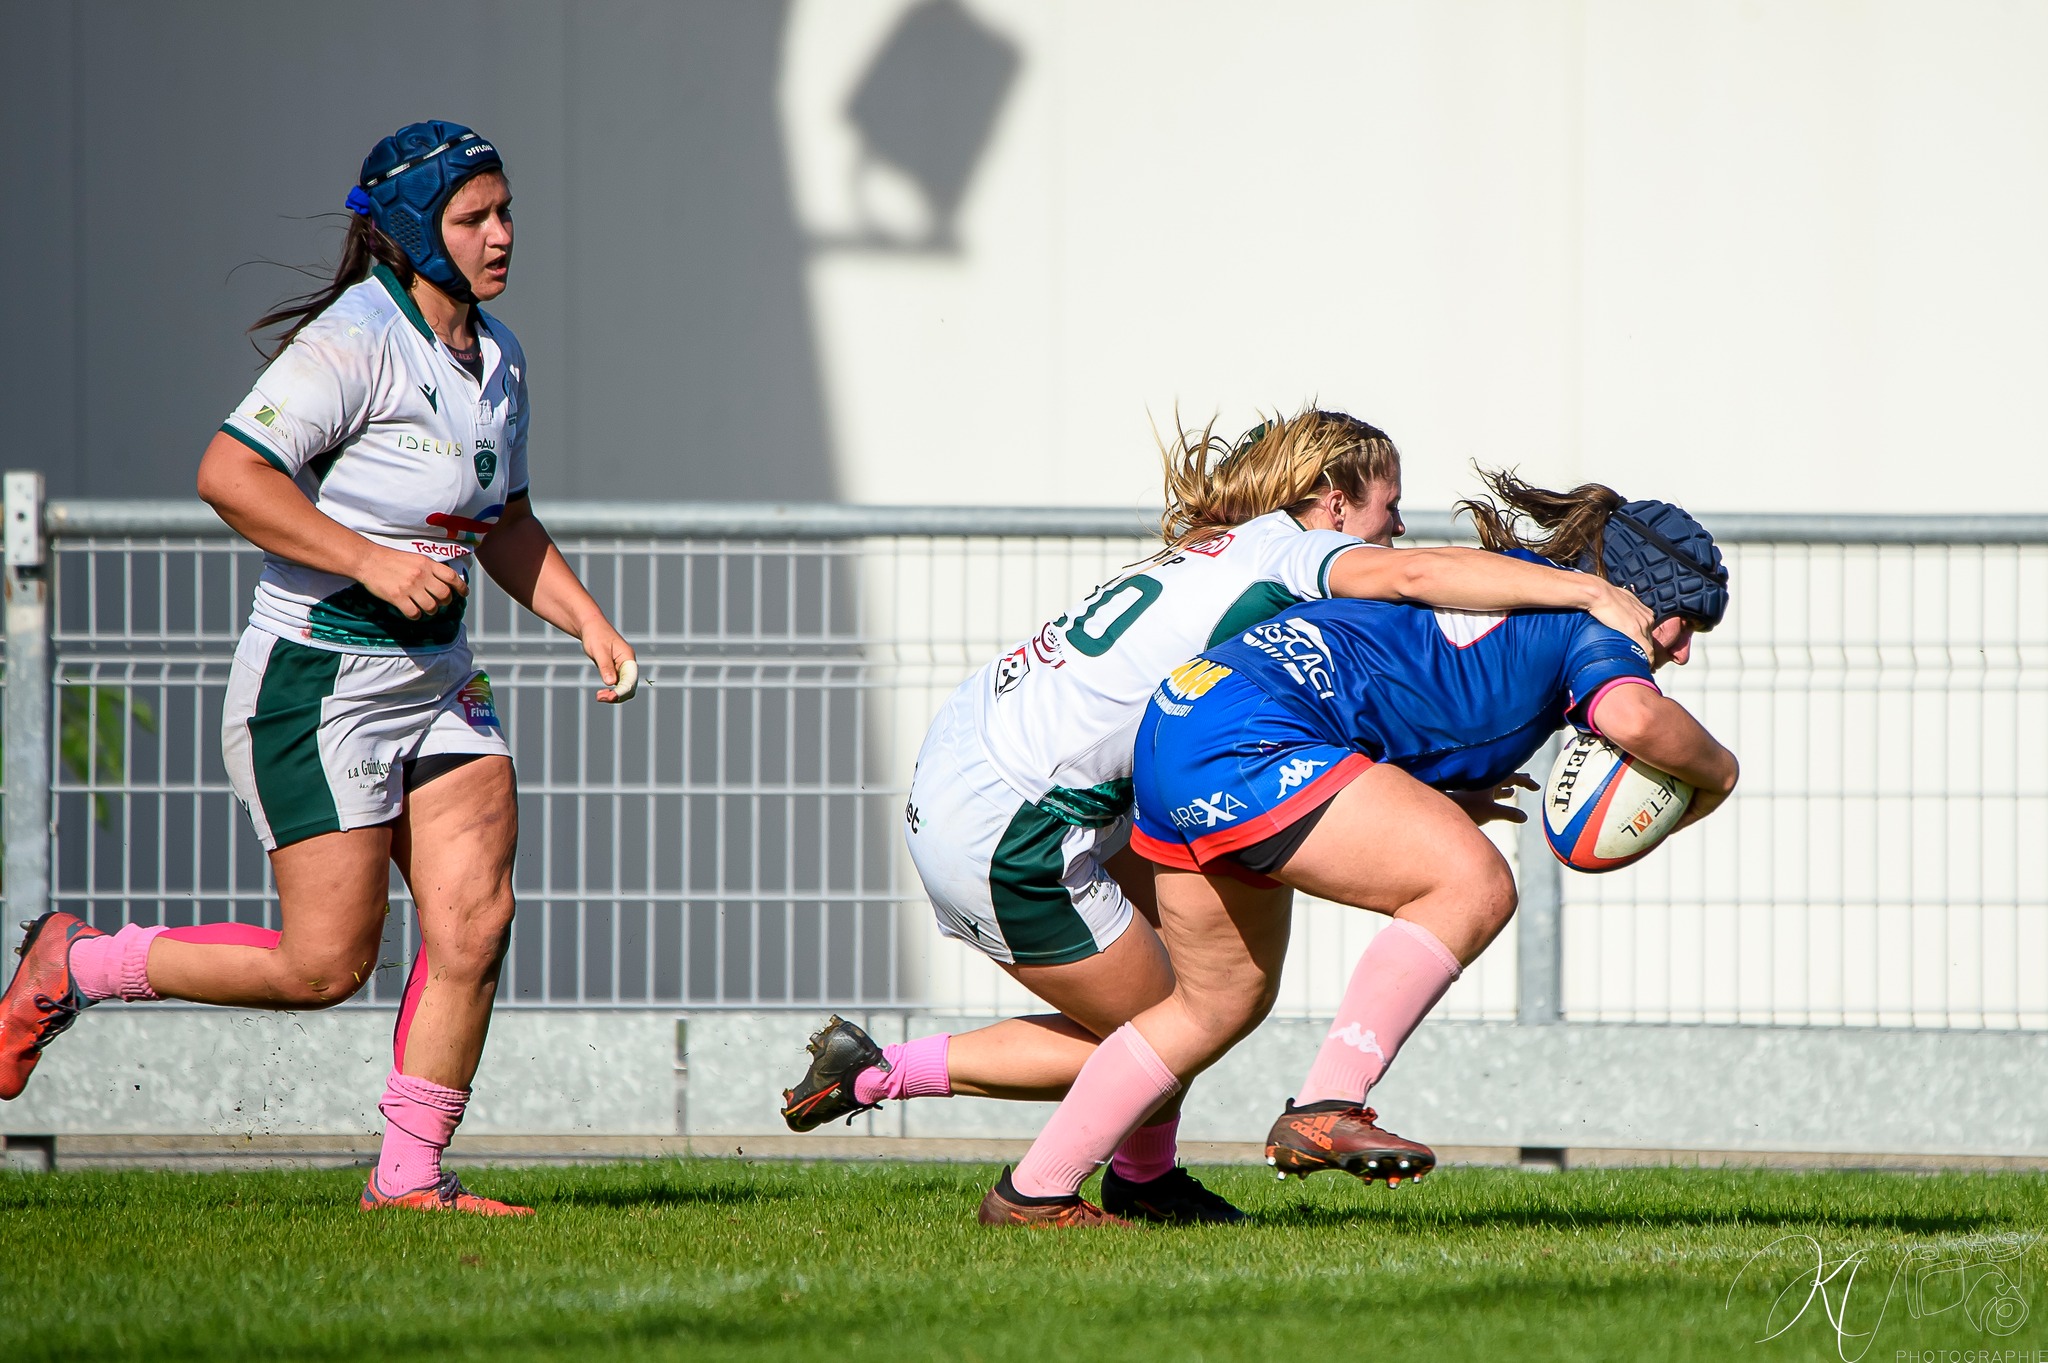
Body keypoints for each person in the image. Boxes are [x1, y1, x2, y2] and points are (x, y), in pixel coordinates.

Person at [779, 412, 1658, 1225]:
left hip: (984, 773)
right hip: (1015, 821)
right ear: (1332, 501)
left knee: (1197, 1005)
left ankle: (1143, 1181)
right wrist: (1586, 594)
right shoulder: (1290, 555)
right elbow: (1418, 575)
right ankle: (917, 1105)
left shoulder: (1228, 547)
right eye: (1388, 507)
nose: (1395, 529)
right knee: (1169, 1027)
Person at [0, 121, 638, 1217]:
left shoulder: (501, 355)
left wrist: (588, 620)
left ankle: (409, 1178)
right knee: (321, 967)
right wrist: (370, 564)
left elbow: (506, 522)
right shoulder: (354, 340)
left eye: (504, 209)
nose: (501, 234)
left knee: (475, 921)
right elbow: (230, 474)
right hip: (316, 686)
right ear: (407, 230)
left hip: (439, 684)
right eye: (472, 216)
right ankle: (80, 962)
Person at [974, 473, 1738, 1226]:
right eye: (1686, 627)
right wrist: (1720, 777)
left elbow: (1401, 675)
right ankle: (1326, 1104)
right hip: (1254, 733)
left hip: (1184, 719)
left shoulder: (1530, 588)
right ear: (1647, 593)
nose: (1681, 654)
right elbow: (1633, 719)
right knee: (1474, 885)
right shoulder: (1599, 621)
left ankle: (1033, 1192)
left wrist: (1422, 793)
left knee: (1214, 1004)